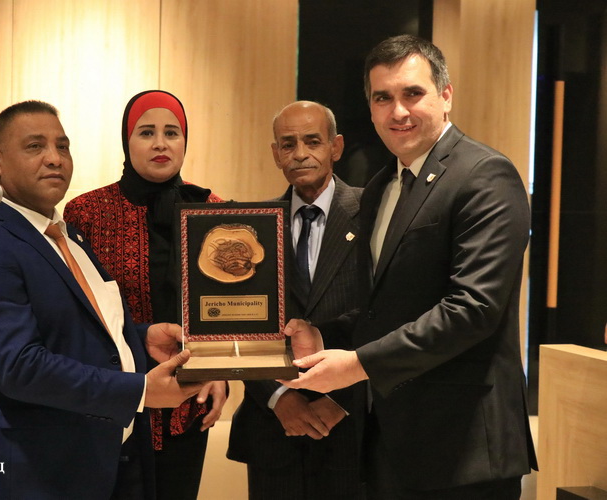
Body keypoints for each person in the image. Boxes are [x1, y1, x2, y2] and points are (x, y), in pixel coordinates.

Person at [283, 35, 538, 499]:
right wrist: (324, 336)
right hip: (392, 443)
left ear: (446, 95)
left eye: (413, 93)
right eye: (383, 98)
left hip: (465, 449)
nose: (398, 111)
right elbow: (382, 308)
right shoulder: (381, 186)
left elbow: (473, 310)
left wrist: (357, 364)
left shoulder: (485, 175)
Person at [0, 100, 202, 499]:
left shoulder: (68, 236)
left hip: (105, 461)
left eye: (62, 146)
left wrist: (140, 337)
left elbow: (73, 330)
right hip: (33, 474)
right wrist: (137, 391)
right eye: (35, 146)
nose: (54, 158)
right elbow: (18, 365)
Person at [64, 90, 227, 500]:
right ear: (127, 140)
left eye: (171, 132)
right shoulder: (87, 212)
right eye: (146, 132)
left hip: (188, 403)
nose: (160, 143)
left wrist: (222, 371)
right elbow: (79, 314)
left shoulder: (212, 209)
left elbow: (225, 307)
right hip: (113, 404)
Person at [227, 101, 365, 499]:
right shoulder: (250, 227)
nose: (300, 153)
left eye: (313, 141)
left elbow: (386, 314)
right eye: (288, 144)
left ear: (336, 147)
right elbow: (238, 323)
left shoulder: (373, 214)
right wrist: (279, 397)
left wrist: (340, 400)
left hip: (352, 427)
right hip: (273, 430)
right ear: (276, 154)